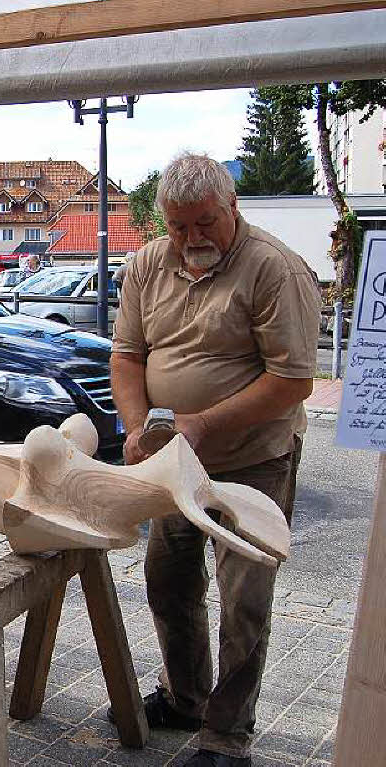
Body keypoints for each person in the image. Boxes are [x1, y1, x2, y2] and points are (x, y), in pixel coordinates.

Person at [109, 153, 320, 767]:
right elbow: (127, 356)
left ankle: (227, 734)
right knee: (168, 582)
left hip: (255, 459)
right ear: (162, 220)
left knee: (244, 597)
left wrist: (203, 422)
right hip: (176, 461)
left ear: (233, 208)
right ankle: (186, 698)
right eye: (178, 227)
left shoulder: (274, 269)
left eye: (205, 224)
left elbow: (292, 380)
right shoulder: (147, 266)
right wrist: (135, 425)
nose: (192, 239)